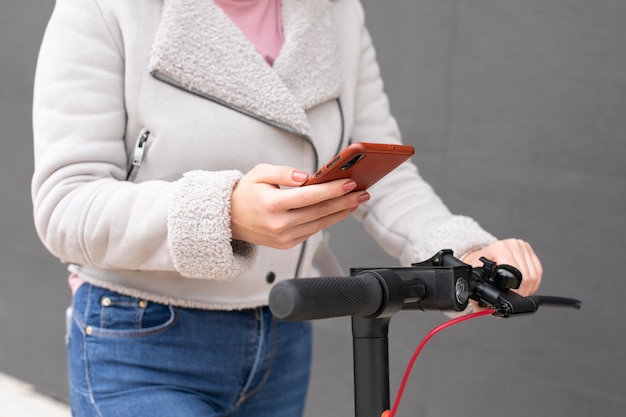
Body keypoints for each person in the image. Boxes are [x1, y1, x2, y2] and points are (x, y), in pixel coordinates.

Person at [31, 0, 542, 416]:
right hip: (142, 339)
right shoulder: (104, 9)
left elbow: (381, 176)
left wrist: (464, 251)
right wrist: (226, 213)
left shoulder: (335, 12)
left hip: (284, 333)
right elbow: (66, 204)